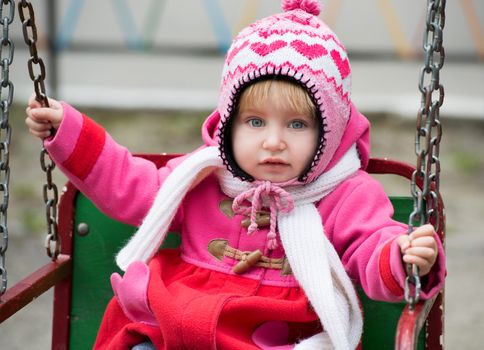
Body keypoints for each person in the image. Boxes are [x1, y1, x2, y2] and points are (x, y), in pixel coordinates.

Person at [25, 1, 445, 349]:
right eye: (255, 122)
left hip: (277, 335)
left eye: (297, 125)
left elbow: (372, 247)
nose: (274, 142)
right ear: (229, 123)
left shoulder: (344, 192)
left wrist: (403, 257)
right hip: (177, 323)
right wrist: (70, 133)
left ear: (329, 128)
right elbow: (133, 188)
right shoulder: (204, 174)